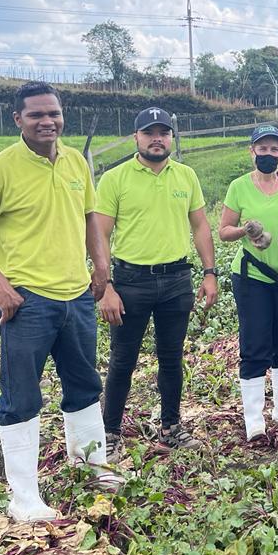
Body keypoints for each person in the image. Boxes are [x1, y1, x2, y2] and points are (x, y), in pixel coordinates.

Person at [0, 81, 115, 523]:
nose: (48, 122)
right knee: (20, 396)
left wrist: (101, 266)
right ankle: (23, 496)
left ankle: (92, 468)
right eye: (37, 115)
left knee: (84, 386)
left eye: (54, 114)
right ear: (17, 120)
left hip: (76, 297)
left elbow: (89, 218)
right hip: (28, 303)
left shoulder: (76, 161)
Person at [93, 107, 219, 461]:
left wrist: (210, 273)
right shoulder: (115, 178)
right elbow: (100, 233)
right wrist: (107, 287)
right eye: (149, 132)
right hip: (130, 280)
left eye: (164, 132)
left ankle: (171, 428)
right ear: (136, 137)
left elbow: (200, 227)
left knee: (171, 358)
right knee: (122, 359)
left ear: (171, 138)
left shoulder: (186, 176)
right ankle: (111, 432)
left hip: (177, 279)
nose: (157, 138)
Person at [218, 124, 278, 440]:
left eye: (274, 149)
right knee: (255, 343)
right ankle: (254, 417)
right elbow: (224, 231)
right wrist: (247, 230)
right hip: (253, 277)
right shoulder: (239, 187)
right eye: (263, 149)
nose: (268, 154)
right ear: (252, 151)